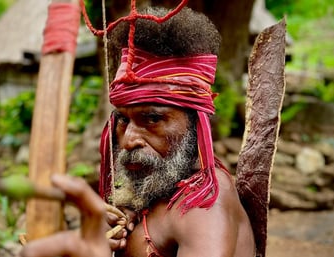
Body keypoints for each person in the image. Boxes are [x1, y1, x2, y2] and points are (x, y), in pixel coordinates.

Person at [20, 6, 255, 257]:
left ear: (195, 122)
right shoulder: (157, 188)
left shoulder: (203, 206)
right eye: (122, 119)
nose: (129, 140)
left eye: (152, 118)